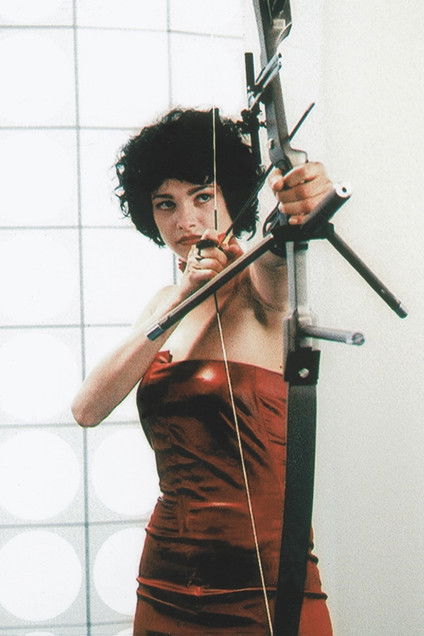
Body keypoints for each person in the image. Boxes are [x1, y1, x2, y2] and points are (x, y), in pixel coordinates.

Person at [72, 108, 333, 635]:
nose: (185, 220)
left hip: (265, 583)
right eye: (165, 204)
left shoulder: (260, 282)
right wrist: (183, 299)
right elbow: (87, 408)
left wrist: (302, 204)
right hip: (166, 580)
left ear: (232, 198)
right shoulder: (164, 304)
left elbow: (281, 250)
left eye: (202, 196)